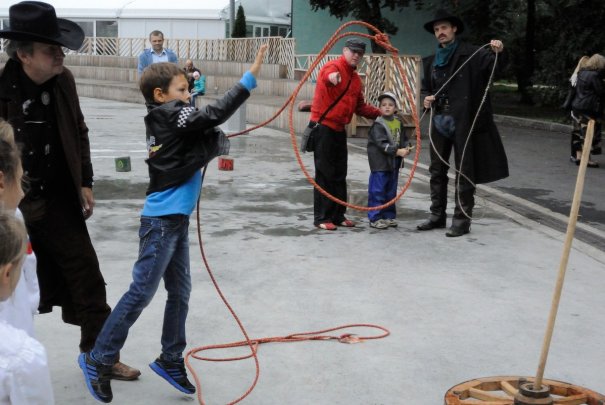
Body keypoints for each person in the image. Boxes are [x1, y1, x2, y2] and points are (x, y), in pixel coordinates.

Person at [78, 44, 268, 403]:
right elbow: (211, 114)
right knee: (141, 292)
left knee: (180, 292)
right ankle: (98, 357)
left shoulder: (172, 117)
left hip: (174, 222)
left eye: (188, 90)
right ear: (160, 95)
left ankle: (170, 358)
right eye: (182, 91)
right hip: (161, 223)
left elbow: (201, 126)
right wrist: (248, 79)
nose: (188, 97)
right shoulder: (170, 114)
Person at [0, 1, 139, 379]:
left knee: (87, 277)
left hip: (58, 197)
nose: (60, 54)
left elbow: (79, 130)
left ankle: (101, 356)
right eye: (51, 49)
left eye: (59, 47)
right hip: (11, 204)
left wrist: (85, 181)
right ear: (25, 55)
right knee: (8, 285)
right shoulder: (2, 88)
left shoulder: (64, 81)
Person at [416, 9, 509, 237]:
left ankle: (461, 219)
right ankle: (437, 215)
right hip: (440, 119)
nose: (440, 33)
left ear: (454, 29)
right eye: (437, 30)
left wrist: (500, 51)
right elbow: (426, 89)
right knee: (437, 169)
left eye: (444, 28)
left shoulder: (473, 54)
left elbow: (497, 66)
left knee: (464, 169)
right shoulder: (430, 62)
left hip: (464, 120)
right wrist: (425, 99)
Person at [310, 38, 381, 230]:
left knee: (340, 173)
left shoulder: (356, 79)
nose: (356, 55)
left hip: (340, 129)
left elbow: (360, 107)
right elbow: (326, 75)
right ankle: (322, 218)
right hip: (323, 127)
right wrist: (332, 78)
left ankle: (338, 215)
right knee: (324, 173)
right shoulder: (333, 66)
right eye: (353, 51)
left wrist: (380, 113)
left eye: (359, 53)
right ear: (344, 51)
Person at [0, 120, 39, 338]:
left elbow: (29, 268)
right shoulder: (11, 223)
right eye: (19, 180)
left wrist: (31, 303)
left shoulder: (15, 216)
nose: (23, 193)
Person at [366, 92, 412, 229]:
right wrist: (398, 151)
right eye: (384, 105)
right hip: (380, 163)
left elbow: (403, 138)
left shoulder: (398, 122)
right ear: (379, 108)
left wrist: (407, 147)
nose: (387, 107)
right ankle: (375, 217)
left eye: (390, 105)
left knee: (391, 191)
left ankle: (388, 216)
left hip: (394, 163)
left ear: (395, 108)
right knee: (378, 190)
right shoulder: (378, 125)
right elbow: (381, 144)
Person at [569, 53, 605, 168]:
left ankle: (579, 157)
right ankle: (586, 160)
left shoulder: (582, 72)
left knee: (577, 133)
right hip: (588, 108)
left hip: (577, 106)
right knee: (588, 134)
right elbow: (600, 92)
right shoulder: (595, 76)